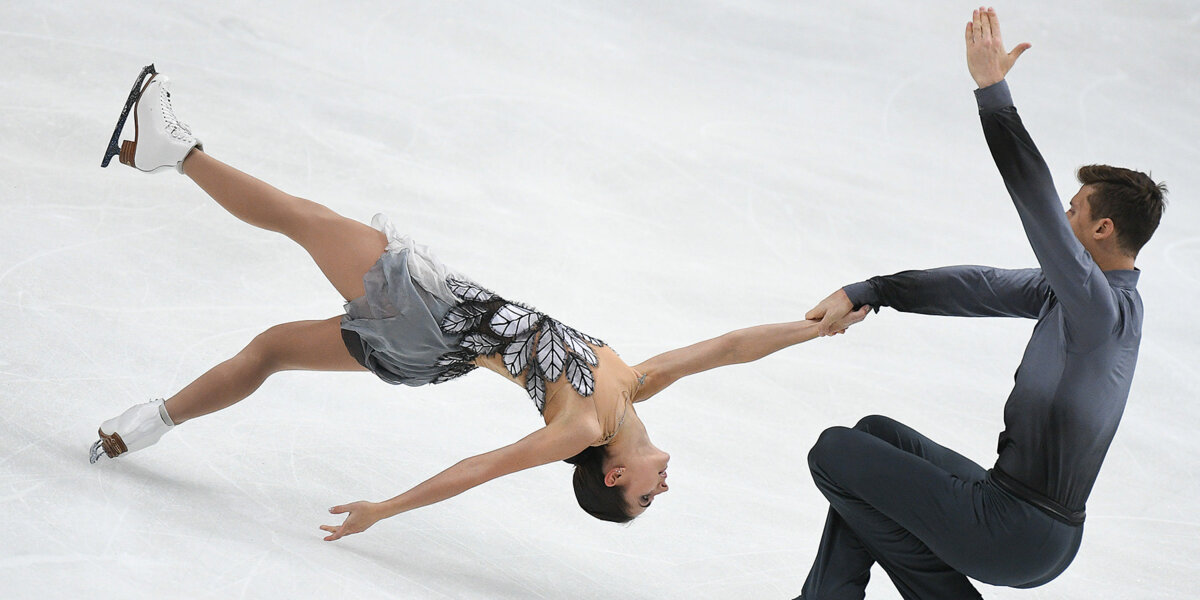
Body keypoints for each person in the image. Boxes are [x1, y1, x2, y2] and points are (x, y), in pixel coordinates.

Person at [89, 66, 870, 540]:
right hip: (434, 338)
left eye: (641, 499)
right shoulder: (632, 385)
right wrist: (814, 328)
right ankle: (141, 428)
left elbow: (482, 468)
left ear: (610, 474)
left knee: (306, 220)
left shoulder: (584, 426)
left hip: (429, 317)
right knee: (270, 350)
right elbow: (730, 347)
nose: (659, 491)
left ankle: (175, 149)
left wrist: (383, 510)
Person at [796, 7, 1167, 599]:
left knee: (834, 452)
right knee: (872, 438)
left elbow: (1035, 201)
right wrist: (873, 291)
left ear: (1101, 230)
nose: (1065, 216)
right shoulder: (1074, 298)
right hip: (1018, 516)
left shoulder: (1100, 310)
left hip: (1021, 530)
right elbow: (975, 286)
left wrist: (993, 92)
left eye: (1076, 209)